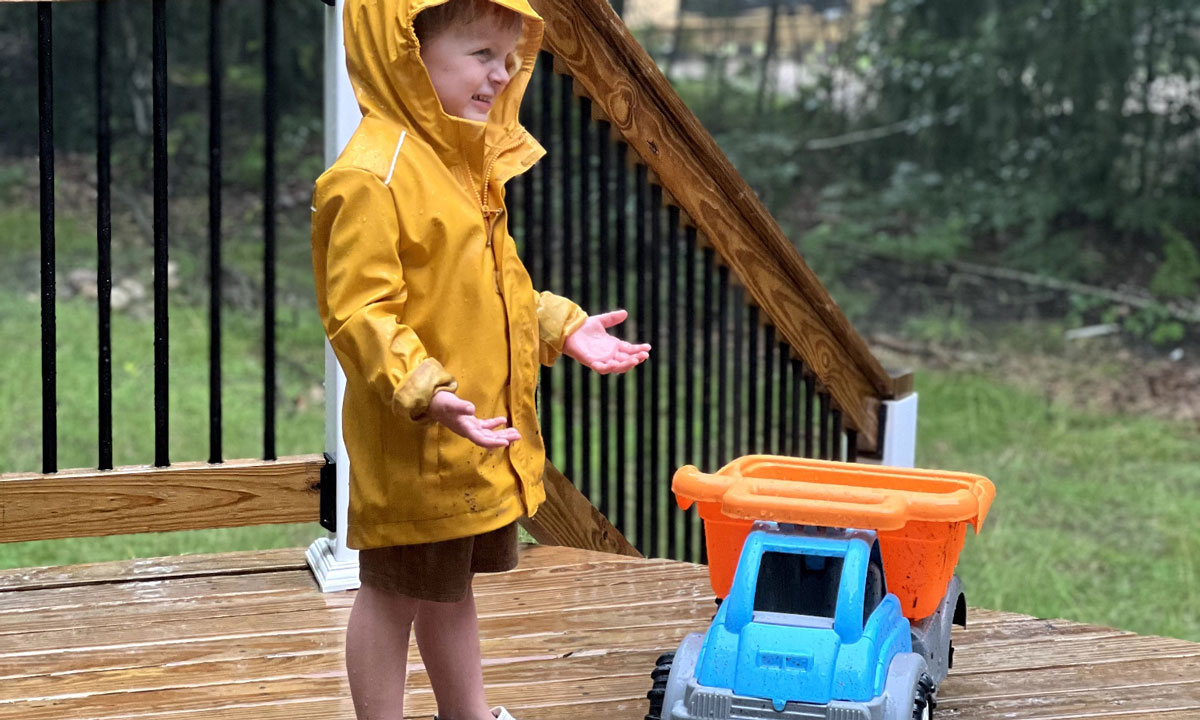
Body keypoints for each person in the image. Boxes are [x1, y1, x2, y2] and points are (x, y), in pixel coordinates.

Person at [310, 1, 651, 719]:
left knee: (449, 588)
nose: (503, 74)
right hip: (419, 442)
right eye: (480, 55)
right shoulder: (373, 175)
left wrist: (563, 325)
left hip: (471, 438)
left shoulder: (462, 163)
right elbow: (359, 313)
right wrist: (425, 387)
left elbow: (491, 293)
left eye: (509, 57)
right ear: (407, 52)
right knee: (391, 594)